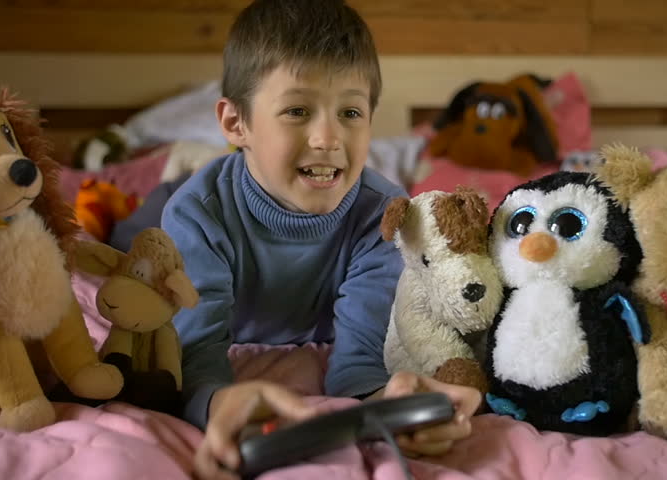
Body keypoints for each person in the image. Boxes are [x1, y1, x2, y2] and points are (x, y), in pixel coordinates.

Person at [160, 1, 481, 478]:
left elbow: (358, 364)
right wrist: (218, 402)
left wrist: (395, 408)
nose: (329, 138)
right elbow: (194, 354)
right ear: (235, 123)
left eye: (351, 111)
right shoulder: (196, 215)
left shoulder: (387, 216)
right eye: (296, 110)